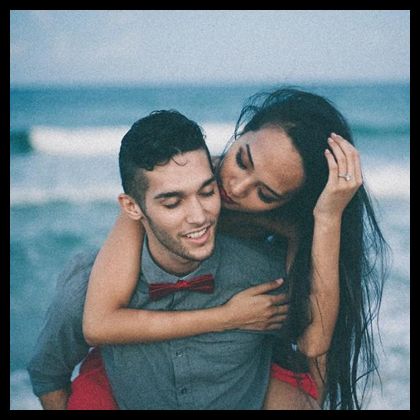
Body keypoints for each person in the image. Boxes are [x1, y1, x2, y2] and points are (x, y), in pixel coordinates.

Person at [79, 88, 388, 410]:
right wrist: (228, 317)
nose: (236, 188)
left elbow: (313, 345)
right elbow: (98, 323)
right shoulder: (174, 185)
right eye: (242, 160)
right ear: (242, 132)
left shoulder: (292, 224)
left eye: (265, 194)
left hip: (246, 358)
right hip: (154, 355)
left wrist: (328, 216)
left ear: (288, 202)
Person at [28, 109, 296, 410]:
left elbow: (316, 353)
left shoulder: (265, 276)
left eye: (207, 192)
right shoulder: (87, 294)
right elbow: (48, 376)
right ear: (132, 208)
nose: (198, 216)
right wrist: (227, 318)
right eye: (172, 203)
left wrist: (322, 219)